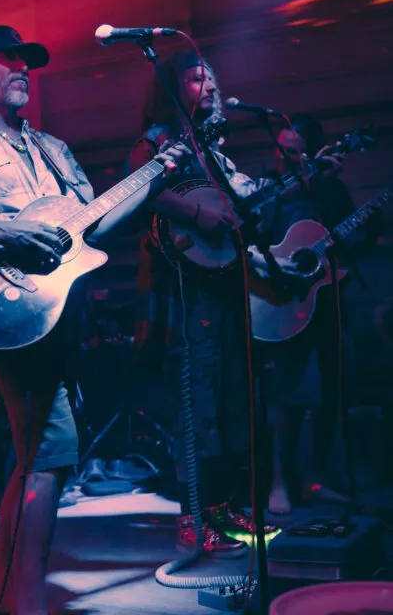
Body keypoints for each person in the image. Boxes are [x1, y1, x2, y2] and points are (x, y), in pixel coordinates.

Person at [0, 25, 188, 615]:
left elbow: (94, 226)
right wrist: (10, 232)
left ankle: (5, 595)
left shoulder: (53, 149)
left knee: (38, 453)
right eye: (9, 61)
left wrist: (157, 173)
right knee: (51, 448)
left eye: (28, 62)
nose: (23, 70)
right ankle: (24, 601)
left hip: (53, 313)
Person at [127, 50, 279, 558]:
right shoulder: (158, 141)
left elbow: (240, 203)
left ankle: (225, 507)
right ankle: (192, 517)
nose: (210, 86)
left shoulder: (216, 151)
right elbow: (140, 192)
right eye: (196, 79)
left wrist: (296, 176)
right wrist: (196, 211)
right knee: (195, 403)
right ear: (171, 89)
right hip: (183, 293)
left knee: (232, 398)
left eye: (211, 76)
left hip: (223, 288)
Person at [259, 115, 378, 514]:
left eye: (291, 152)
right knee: (286, 397)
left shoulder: (331, 189)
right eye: (280, 149)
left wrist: (370, 221)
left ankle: (313, 479)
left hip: (327, 301)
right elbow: (259, 237)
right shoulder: (268, 189)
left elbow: (355, 243)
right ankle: (278, 481)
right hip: (283, 301)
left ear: (309, 152)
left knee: (332, 393)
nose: (282, 158)